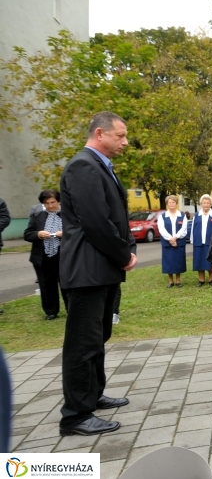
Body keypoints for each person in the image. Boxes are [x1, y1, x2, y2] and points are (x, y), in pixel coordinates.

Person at [58, 111, 137, 436]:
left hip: (101, 270)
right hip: (87, 270)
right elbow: (96, 222)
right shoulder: (83, 166)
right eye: (120, 136)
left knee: (98, 338)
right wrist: (123, 255)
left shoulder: (101, 166)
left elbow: (115, 216)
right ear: (100, 133)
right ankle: (75, 415)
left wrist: (128, 247)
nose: (125, 142)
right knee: (82, 343)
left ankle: (93, 395)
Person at [24, 189, 68, 319]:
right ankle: (51, 311)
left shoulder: (67, 215)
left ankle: (71, 308)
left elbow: (77, 232)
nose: (50, 206)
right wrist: (38, 234)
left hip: (63, 256)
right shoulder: (38, 216)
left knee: (66, 284)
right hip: (42, 257)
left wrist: (64, 234)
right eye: (46, 203)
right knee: (47, 285)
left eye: (53, 202)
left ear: (59, 201)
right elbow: (27, 234)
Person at [158, 195, 188, 288]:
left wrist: (175, 238)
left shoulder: (182, 216)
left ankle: (178, 280)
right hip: (167, 242)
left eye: (173, 202)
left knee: (179, 261)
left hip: (179, 242)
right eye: (169, 202)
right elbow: (161, 229)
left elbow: (184, 229)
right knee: (169, 262)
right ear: (167, 204)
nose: (171, 204)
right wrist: (170, 239)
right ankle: (170, 281)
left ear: (176, 203)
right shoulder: (162, 216)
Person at [191, 194, 212, 287]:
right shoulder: (197, 215)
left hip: (210, 242)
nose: (206, 204)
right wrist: (192, 240)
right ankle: (201, 279)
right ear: (201, 204)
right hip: (198, 241)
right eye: (204, 203)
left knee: (210, 261)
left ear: (210, 204)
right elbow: (193, 228)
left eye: (207, 203)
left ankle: (211, 279)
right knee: (199, 260)